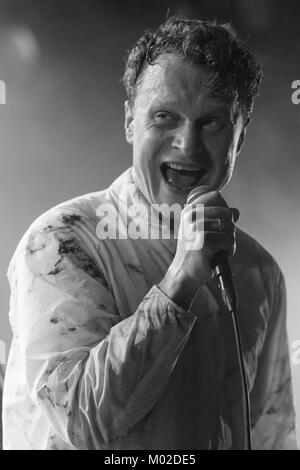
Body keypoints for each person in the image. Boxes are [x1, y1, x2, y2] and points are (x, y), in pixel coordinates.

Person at [2, 16, 297, 450]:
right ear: (129, 122)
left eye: (212, 122)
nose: (188, 145)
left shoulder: (259, 271)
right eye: (165, 116)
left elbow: (272, 436)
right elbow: (82, 422)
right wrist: (180, 281)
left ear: (241, 137)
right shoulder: (62, 240)